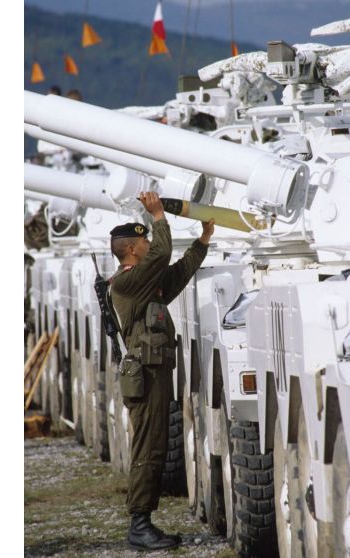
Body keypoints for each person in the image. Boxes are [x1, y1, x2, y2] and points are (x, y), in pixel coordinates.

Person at [108, 192, 214, 550]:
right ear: (134, 250)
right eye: (146, 240)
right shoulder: (126, 282)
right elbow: (163, 254)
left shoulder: (143, 284)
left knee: (154, 445)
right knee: (148, 448)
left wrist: (202, 242)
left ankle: (142, 523)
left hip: (153, 372)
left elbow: (176, 274)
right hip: (146, 374)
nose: (151, 243)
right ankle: (139, 524)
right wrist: (157, 215)